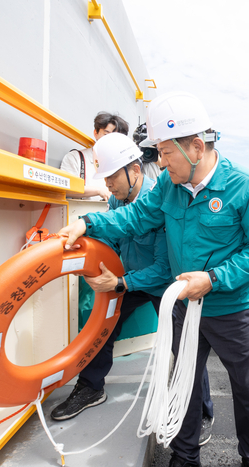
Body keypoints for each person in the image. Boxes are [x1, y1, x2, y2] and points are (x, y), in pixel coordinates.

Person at [58, 91, 249, 467]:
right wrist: (88, 222)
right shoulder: (168, 186)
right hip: (183, 306)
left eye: (166, 152)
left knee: (248, 391)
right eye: (158, 152)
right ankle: (185, 455)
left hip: (232, 311)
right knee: (185, 383)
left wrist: (212, 279)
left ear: (196, 146)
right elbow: (135, 218)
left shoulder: (246, 187)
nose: (160, 162)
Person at [51, 132, 172, 421]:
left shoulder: (157, 205)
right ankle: (91, 387)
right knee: (100, 328)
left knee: (183, 343)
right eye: (103, 178)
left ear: (134, 170)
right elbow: (113, 236)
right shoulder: (118, 200)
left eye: (112, 177)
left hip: (160, 283)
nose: (107, 185)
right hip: (128, 278)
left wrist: (121, 283)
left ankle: (200, 408)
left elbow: (164, 268)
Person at [59, 111, 129, 201]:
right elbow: (65, 188)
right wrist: (99, 191)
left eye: (116, 137)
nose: (110, 140)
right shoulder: (75, 158)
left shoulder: (123, 163)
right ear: (95, 133)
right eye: (106, 135)